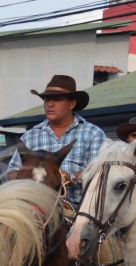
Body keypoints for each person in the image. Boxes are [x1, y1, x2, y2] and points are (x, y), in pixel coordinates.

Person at [8, 75, 106, 206]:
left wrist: (70, 176)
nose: (50, 104)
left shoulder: (93, 134)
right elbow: (12, 171)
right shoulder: (30, 136)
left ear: (72, 104)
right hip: (34, 207)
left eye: (57, 99)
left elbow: (101, 171)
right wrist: (27, 178)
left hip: (78, 209)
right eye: (46, 99)